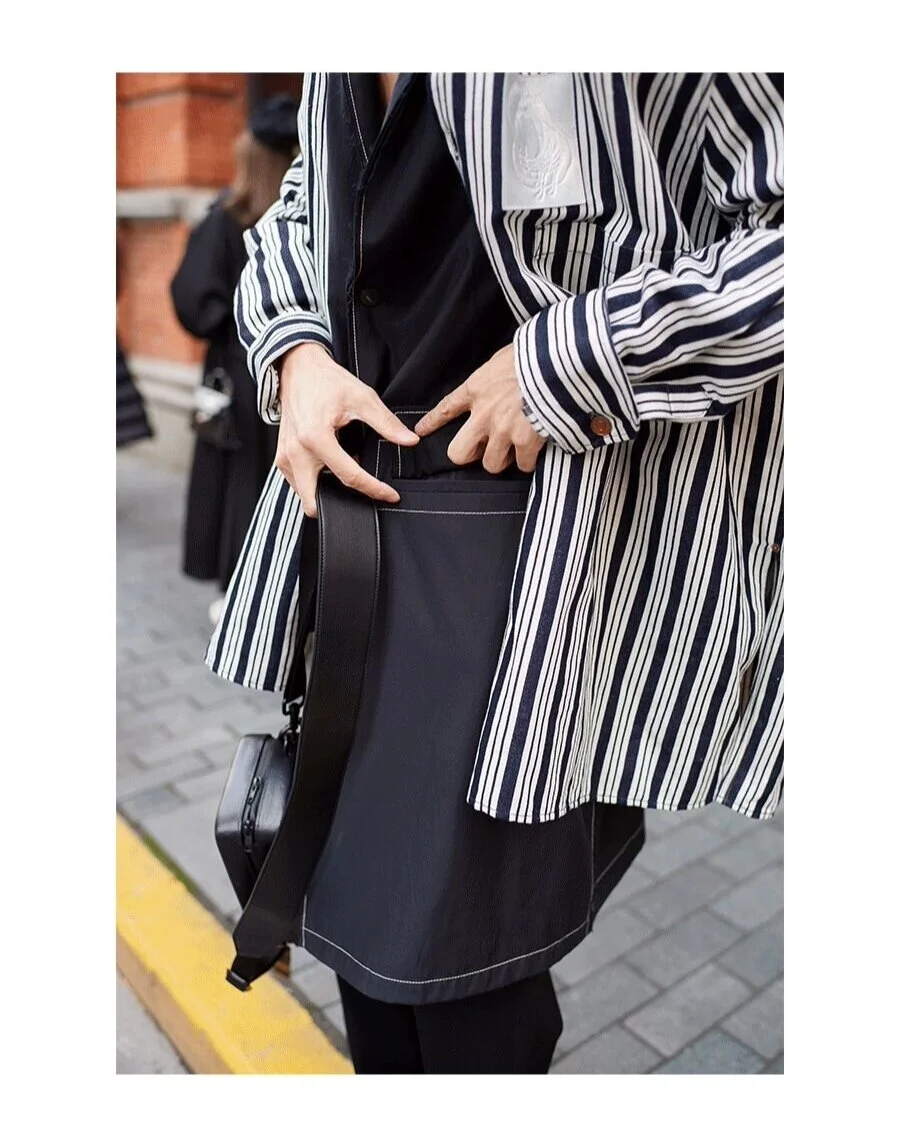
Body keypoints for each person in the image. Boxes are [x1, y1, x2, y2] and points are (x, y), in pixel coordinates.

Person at [207, 73, 784, 1074]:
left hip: (524, 559)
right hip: (350, 541)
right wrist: (292, 348)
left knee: (463, 975)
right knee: (364, 938)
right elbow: (302, 200)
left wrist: (573, 359)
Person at [171, 96, 300, 620]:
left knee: (239, 482)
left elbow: (192, 302)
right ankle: (269, 595)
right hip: (282, 371)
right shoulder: (293, 224)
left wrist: (227, 316)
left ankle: (241, 594)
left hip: (240, 371)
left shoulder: (225, 220)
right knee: (269, 479)